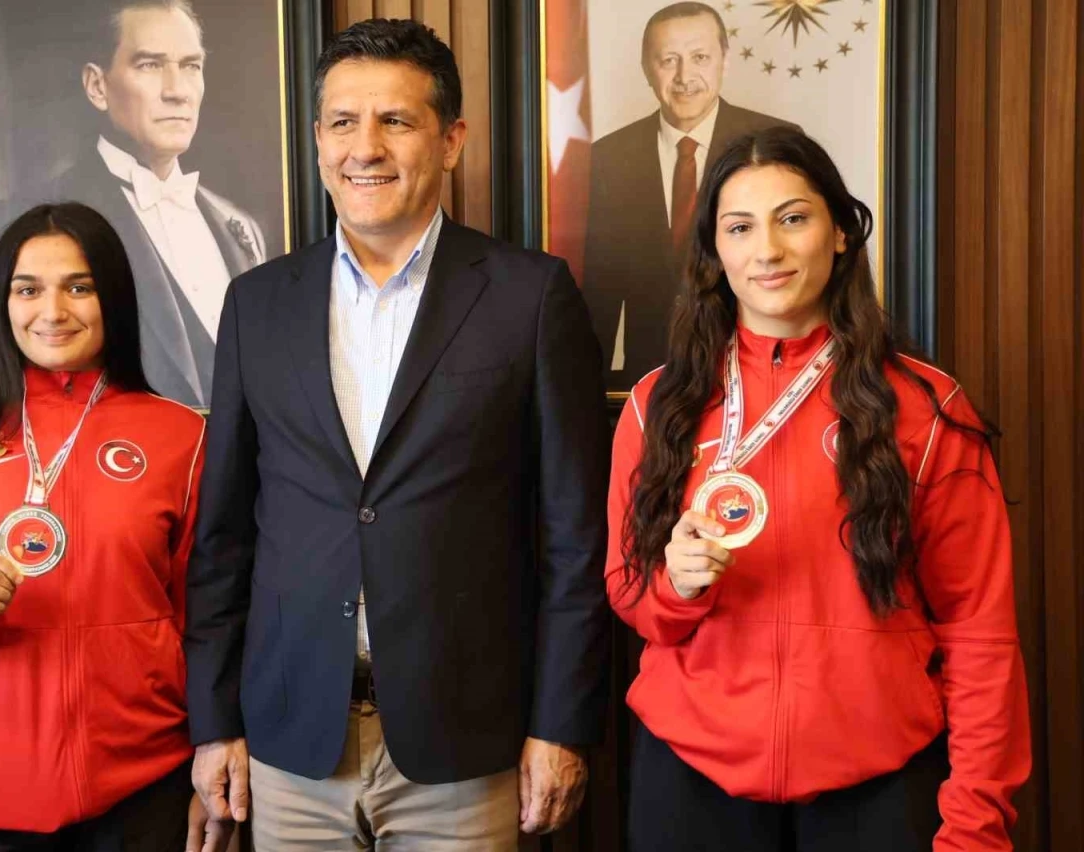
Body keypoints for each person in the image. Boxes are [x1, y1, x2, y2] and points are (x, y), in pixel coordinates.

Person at [184, 18, 611, 851]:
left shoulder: (529, 297)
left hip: (466, 743)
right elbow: (223, 537)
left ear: (451, 141)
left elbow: (574, 537)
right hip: (290, 743)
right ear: (318, 140)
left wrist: (561, 725)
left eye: (396, 121)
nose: (365, 148)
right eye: (344, 122)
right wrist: (215, 720)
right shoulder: (256, 305)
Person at [606, 127, 1031, 851]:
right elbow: (628, 590)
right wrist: (676, 586)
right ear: (715, 251)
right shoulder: (660, 404)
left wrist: (976, 827)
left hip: (879, 785)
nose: (767, 250)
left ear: (838, 232)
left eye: (793, 218)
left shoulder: (925, 409)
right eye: (740, 227)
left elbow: (980, 633)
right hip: (690, 784)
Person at [0, 203, 227, 851]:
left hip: (139, 789)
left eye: (79, 287)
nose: (53, 311)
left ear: (112, 298)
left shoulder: (181, 435)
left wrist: (209, 756)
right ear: (2, 304)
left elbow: (205, 619)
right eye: (28, 289)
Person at [57, 0, 266, 408]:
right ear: (97, 86)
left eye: (191, 66)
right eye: (150, 65)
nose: (177, 91)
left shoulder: (238, 225)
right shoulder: (52, 222)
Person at [583, 1, 797, 389]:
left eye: (700, 57)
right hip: (649, 382)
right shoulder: (606, 157)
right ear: (646, 68)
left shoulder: (778, 141)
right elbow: (601, 288)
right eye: (669, 60)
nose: (685, 76)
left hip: (762, 376)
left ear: (724, 61)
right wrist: (594, 392)